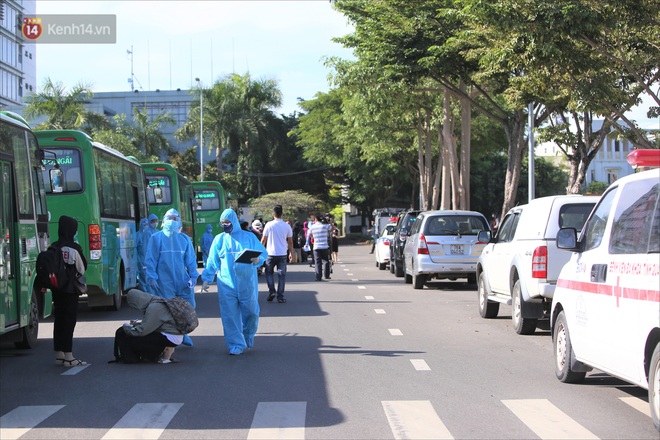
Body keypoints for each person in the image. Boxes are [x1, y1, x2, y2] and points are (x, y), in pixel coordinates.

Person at [201, 209, 267, 355]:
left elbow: (262, 253)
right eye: (222, 223)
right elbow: (212, 260)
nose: (225, 225)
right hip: (226, 283)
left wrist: (258, 260)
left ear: (234, 222)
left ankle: (248, 335)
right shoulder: (219, 239)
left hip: (247, 283)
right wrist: (206, 278)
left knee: (251, 313)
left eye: (227, 222)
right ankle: (235, 344)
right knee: (229, 315)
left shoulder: (249, 237)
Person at [144, 208, 198, 346]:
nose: (172, 221)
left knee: (188, 307)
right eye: (169, 218)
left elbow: (191, 260)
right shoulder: (156, 238)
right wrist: (151, 276)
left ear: (179, 221)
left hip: (182, 281)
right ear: (164, 221)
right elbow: (151, 259)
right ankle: (171, 336)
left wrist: (193, 276)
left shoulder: (184, 239)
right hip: (164, 281)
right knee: (168, 310)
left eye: (175, 218)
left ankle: (183, 333)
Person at [52, 215, 88, 367]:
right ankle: (69, 357)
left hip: (56, 288)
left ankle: (59, 354)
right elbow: (82, 267)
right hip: (70, 290)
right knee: (69, 321)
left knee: (59, 320)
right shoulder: (74, 248)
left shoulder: (53, 246)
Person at [117, 289, 185, 364]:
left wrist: (127, 328)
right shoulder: (157, 300)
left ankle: (161, 351)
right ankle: (160, 353)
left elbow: (142, 331)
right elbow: (155, 323)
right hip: (175, 334)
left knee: (133, 339)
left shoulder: (153, 308)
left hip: (170, 337)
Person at [260, 205, 294, 303]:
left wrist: (260, 252)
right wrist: (291, 253)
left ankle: (272, 291)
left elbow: (263, 240)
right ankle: (280, 296)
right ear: (282, 213)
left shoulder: (268, 225)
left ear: (273, 214)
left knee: (269, 273)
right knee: (281, 275)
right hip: (282, 254)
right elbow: (290, 242)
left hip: (270, 254)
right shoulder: (287, 226)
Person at [307, 213, 332, 281]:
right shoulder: (325, 226)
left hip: (316, 246)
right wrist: (329, 221)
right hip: (324, 246)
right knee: (326, 260)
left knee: (317, 262)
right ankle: (327, 275)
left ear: (316, 219)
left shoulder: (312, 226)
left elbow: (309, 234)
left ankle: (318, 277)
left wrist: (313, 237)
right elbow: (332, 228)